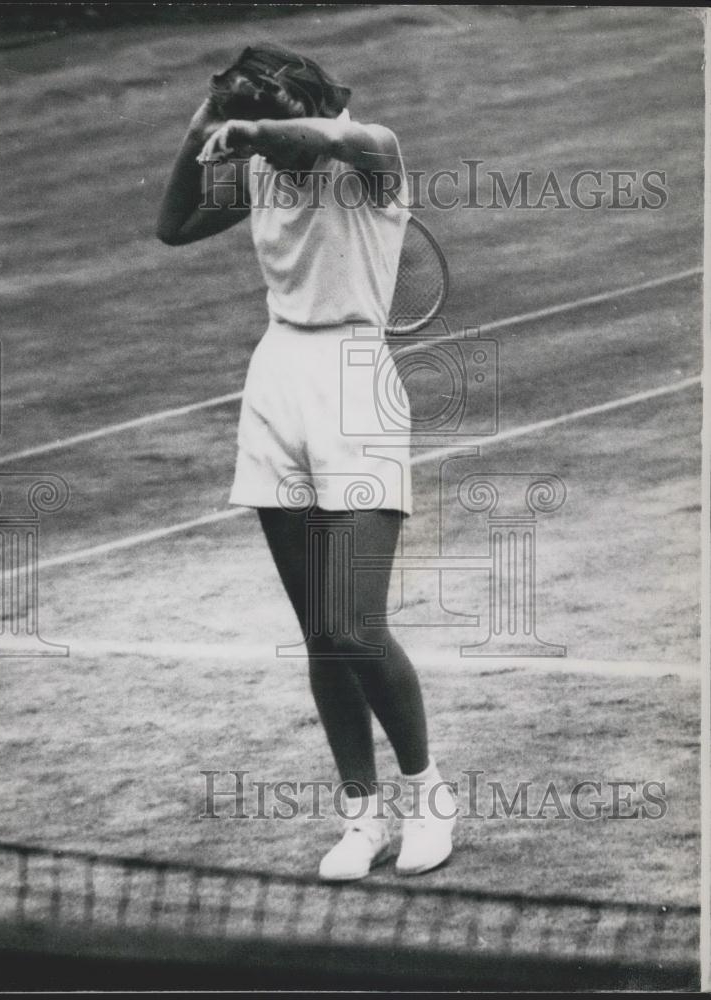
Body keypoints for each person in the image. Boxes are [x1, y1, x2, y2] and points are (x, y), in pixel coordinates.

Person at [157, 43, 456, 881]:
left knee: (357, 621)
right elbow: (173, 225)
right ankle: (362, 816)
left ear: (308, 112)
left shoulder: (370, 157)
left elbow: (362, 142)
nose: (262, 141)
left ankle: (428, 794)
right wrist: (199, 132)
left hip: (354, 382)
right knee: (321, 630)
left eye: (275, 124)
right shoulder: (258, 169)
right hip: (277, 379)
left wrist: (258, 124)